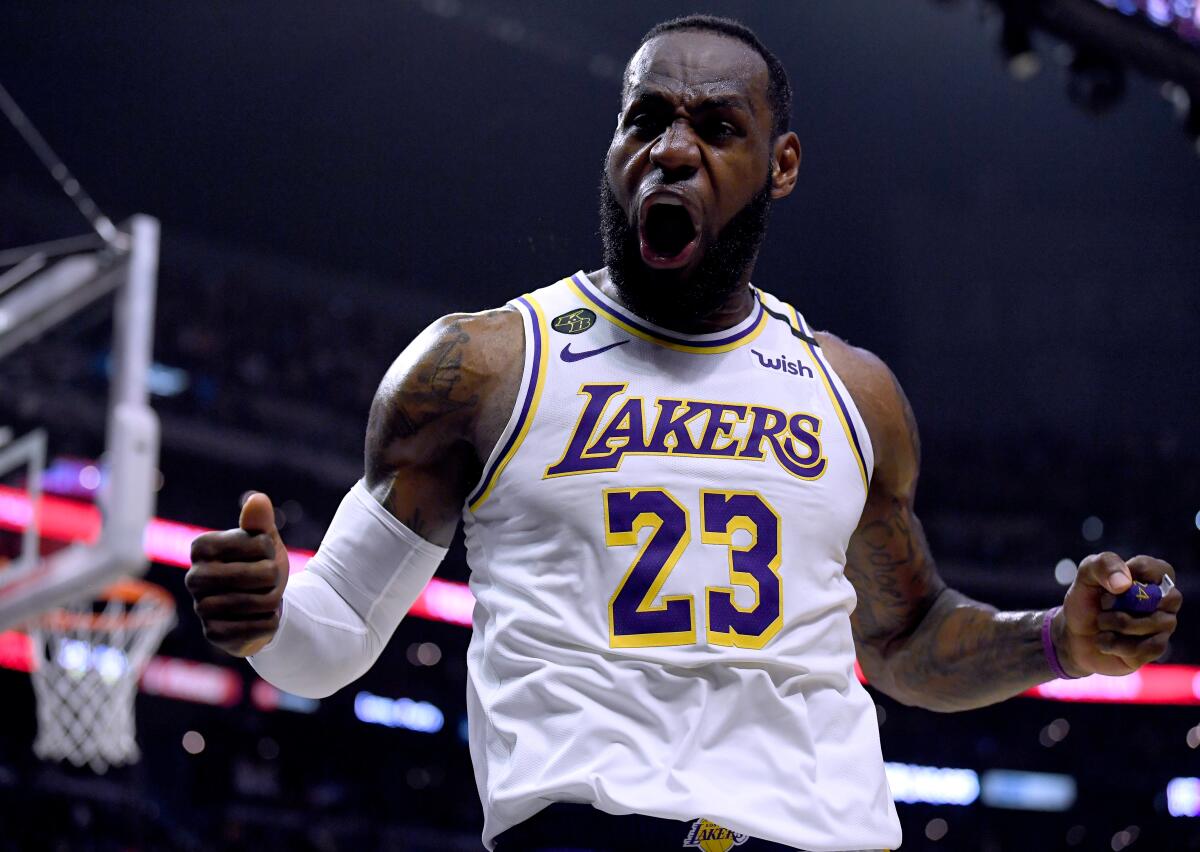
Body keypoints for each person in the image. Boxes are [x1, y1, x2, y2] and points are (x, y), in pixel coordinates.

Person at [185, 15, 1182, 852]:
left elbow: (905, 641)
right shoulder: (480, 366)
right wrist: (269, 617)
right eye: (647, 119)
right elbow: (339, 636)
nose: (673, 148)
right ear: (615, 147)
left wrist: (1056, 640)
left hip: (822, 834)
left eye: (716, 125)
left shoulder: (854, 391)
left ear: (781, 164)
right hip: (592, 829)